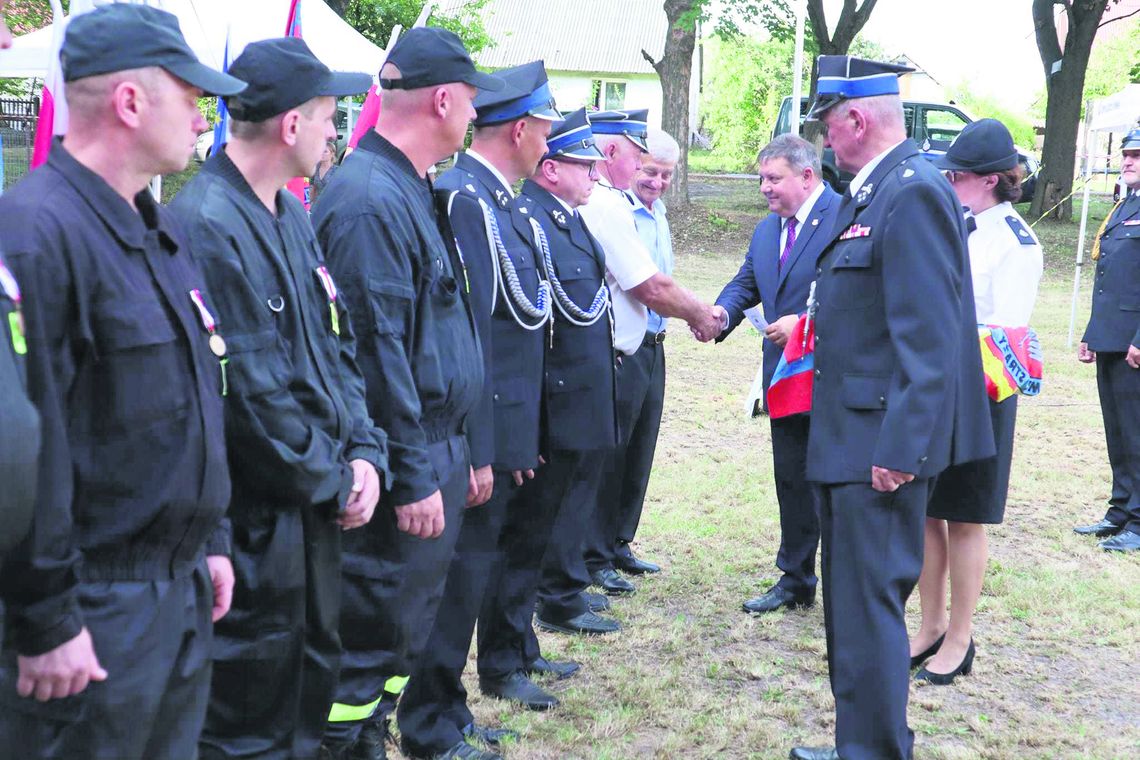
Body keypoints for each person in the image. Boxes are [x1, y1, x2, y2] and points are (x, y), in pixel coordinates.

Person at [0, 5, 246, 758]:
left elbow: (194, 400)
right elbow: (23, 445)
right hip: (88, 613)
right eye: (191, 95)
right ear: (131, 102)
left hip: (170, 598)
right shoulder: (36, 233)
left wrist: (209, 537)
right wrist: (45, 618)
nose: (205, 118)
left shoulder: (156, 231)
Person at [168, 39, 386, 759]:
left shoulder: (290, 214)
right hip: (259, 525)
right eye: (329, 116)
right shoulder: (206, 224)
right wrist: (331, 477)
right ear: (292, 124)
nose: (337, 131)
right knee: (247, 721)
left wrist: (364, 452)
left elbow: (337, 347)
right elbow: (248, 400)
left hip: (316, 509)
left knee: (305, 693)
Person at [788, 55, 994, 760]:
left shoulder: (911, 194)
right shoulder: (875, 193)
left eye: (825, 125)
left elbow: (930, 341)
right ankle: (862, 741)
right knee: (849, 606)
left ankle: (873, 752)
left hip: (878, 445)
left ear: (855, 118)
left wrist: (902, 452)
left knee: (870, 606)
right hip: (848, 435)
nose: (822, 141)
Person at [311, 27, 501, 760]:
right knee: (368, 643)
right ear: (445, 99)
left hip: (434, 450)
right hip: (399, 466)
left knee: (398, 642)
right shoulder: (366, 198)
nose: (473, 113)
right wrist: (415, 472)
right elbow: (372, 354)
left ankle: (367, 742)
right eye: (471, 100)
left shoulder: (408, 184)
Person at [396, 60, 561, 760]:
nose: (550, 144)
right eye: (547, 129)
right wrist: (483, 445)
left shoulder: (500, 201)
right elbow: (476, 337)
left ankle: (448, 707)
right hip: (473, 428)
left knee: (472, 576)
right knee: (457, 582)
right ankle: (429, 717)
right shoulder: (466, 200)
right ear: (520, 128)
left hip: (501, 424)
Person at [541, 109, 719, 608]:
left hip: (638, 345)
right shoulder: (604, 205)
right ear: (615, 152)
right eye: (639, 155)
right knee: (596, 466)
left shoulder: (622, 204)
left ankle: (604, 550)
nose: (648, 169)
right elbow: (649, 285)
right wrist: (701, 314)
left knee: (627, 457)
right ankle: (581, 565)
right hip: (610, 352)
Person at [907, 118, 1044, 685]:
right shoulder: (959, 225)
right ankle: (931, 622)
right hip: (937, 387)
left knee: (964, 518)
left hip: (983, 393)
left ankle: (960, 637)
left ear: (988, 181)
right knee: (927, 513)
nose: (948, 181)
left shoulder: (1016, 244)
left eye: (956, 174)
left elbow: (1004, 335)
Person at [493, 107, 620, 680]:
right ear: (549, 170)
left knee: (537, 537)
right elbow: (531, 333)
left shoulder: (565, 220)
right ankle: (506, 655)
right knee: (522, 541)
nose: (595, 173)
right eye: (582, 164)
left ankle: (522, 648)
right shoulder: (531, 221)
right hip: (553, 411)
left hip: (577, 405)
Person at [710, 134, 840, 615]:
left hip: (835, 376)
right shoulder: (768, 229)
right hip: (784, 377)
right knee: (792, 477)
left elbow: (861, 297)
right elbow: (749, 278)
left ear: (807, 176)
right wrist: (721, 314)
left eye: (774, 178)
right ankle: (796, 578)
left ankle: (845, 582)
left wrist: (806, 325)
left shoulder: (845, 218)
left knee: (836, 484)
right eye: (761, 178)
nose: (764, 188)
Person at [581, 126, 679, 587]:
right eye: (650, 171)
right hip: (623, 347)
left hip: (654, 344)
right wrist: (701, 315)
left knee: (640, 450)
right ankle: (594, 554)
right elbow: (649, 286)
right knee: (611, 453)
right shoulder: (614, 210)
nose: (657, 182)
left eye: (666, 175)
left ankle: (619, 542)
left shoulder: (657, 215)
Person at [1073, 125, 1140, 554]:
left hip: (1134, 343)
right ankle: (1119, 510)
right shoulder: (1122, 207)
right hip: (1112, 337)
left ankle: (1137, 521)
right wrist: (1091, 335)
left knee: (1136, 432)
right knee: (1117, 431)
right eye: (1126, 155)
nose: (1128, 161)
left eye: (1137, 156)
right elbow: (1108, 280)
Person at [311, 138, 340, 203]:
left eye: (325, 151)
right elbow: (313, 188)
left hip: (331, 204)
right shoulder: (315, 168)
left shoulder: (337, 171)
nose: (322, 153)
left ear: (332, 154)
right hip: (316, 205)